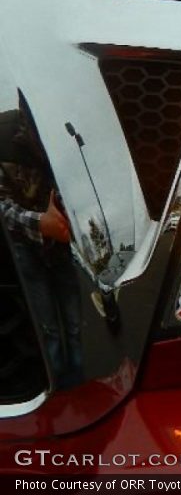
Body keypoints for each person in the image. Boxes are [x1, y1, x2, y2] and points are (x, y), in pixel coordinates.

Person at [0, 96, 82, 389]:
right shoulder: (4, 135)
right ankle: (56, 387)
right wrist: (41, 223)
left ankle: (79, 384)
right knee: (47, 326)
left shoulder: (70, 133)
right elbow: (2, 206)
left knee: (74, 323)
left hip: (65, 246)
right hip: (28, 248)